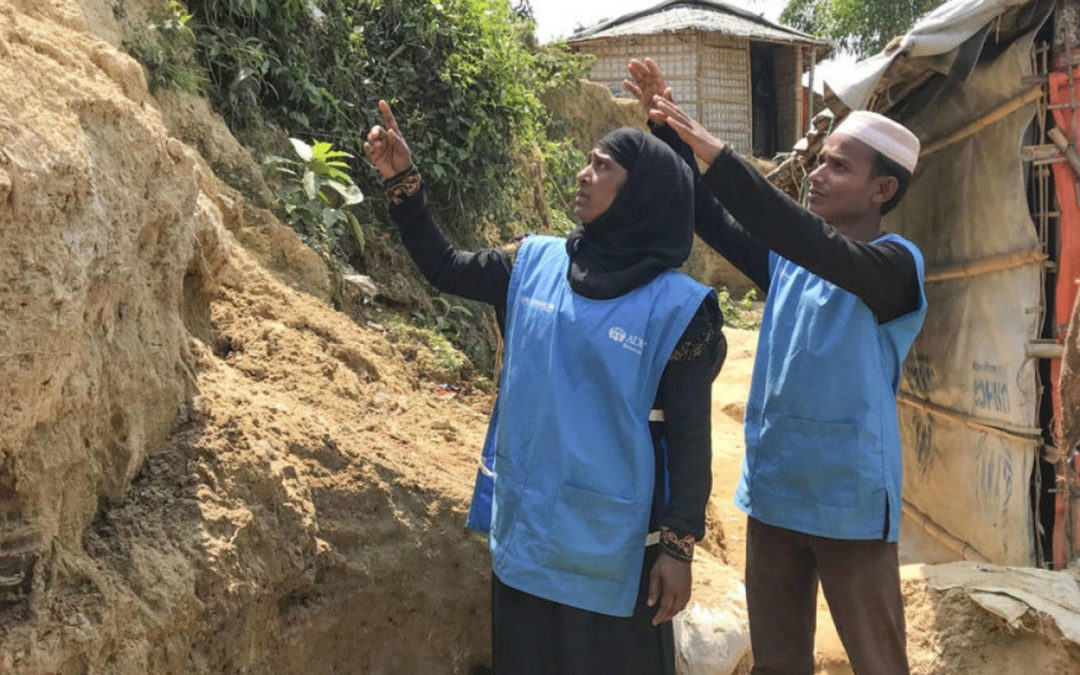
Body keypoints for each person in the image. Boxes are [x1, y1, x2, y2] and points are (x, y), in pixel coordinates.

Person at [363, 100, 724, 674]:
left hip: (616, 550)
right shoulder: (532, 263)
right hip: (529, 534)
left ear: (643, 193)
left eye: (603, 167)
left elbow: (688, 438)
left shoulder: (678, 311)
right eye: (588, 161)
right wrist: (402, 180)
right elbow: (446, 269)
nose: (584, 173)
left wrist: (678, 549)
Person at [627, 58, 927, 674]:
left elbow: (805, 238)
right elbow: (714, 217)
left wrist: (716, 150)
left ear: (883, 190)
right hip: (773, 495)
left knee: (878, 661)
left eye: (838, 165)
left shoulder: (895, 268)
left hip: (848, 502)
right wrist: (669, 131)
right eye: (819, 159)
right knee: (779, 662)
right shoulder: (790, 261)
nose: (816, 173)